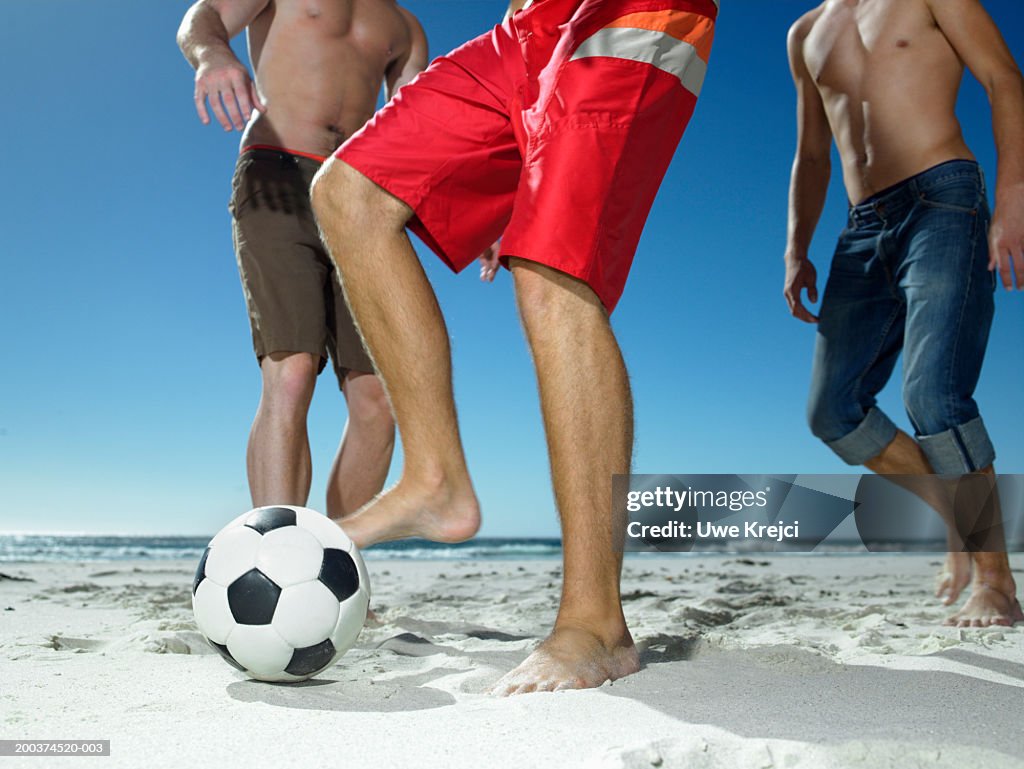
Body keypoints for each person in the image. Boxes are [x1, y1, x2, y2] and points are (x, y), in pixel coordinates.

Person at [309, 0, 718, 692]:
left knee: (550, 274)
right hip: (523, 31)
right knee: (349, 193)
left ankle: (597, 626)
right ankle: (435, 479)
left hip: (629, 12)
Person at [784, 0, 1024, 626]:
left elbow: (1003, 77)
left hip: (942, 198)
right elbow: (812, 152)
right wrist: (796, 246)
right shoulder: (804, 33)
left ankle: (995, 580)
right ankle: (961, 523)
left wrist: (1013, 198)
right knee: (833, 412)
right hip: (862, 228)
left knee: (934, 398)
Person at [177, 0, 427, 519]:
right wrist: (212, 56)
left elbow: (416, 137)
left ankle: (338, 565)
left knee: (379, 399)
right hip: (277, 170)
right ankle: (274, 551)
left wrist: (477, 212)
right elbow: (203, 17)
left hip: (361, 198)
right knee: (291, 372)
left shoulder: (405, 28)